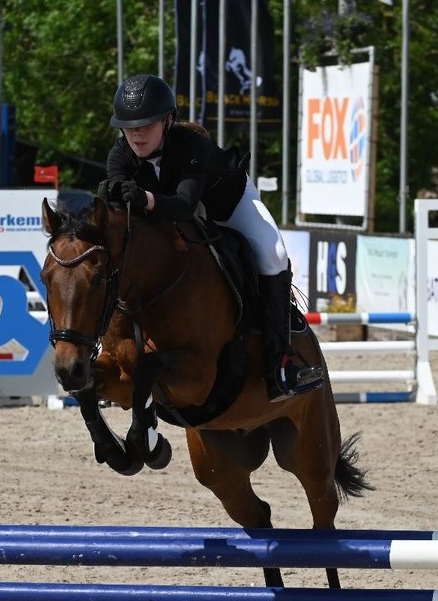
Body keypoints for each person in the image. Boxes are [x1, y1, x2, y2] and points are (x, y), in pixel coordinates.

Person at [103, 73, 323, 402]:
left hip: (228, 203)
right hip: (171, 217)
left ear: (168, 121)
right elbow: (118, 208)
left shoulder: (191, 145)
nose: (136, 133)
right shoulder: (120, 155)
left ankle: (281, 363)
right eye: (129, 126)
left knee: (272, 252)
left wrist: (145, 198)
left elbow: (184, 205)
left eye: (146, 125)